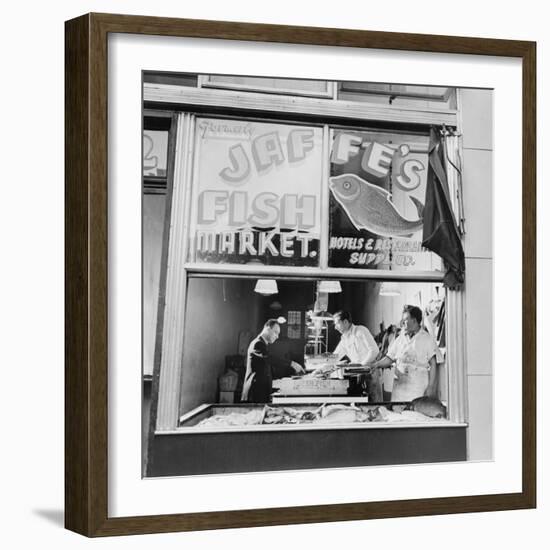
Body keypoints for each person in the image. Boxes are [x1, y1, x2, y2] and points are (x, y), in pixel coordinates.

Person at [368, 305, 442, 401]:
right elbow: (389, 358)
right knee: (397, 413)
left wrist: (431, 387)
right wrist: (376, 364)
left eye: (405, 320)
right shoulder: (400, 338)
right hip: (399, 388)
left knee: (414, 414)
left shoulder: (426, 339)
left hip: (417, 387)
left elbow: (433, 364)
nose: (402, 323)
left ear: (414, 320)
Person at [241, 319, 304, 403]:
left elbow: (265, 367)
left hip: (260, 391)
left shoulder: (263, 344)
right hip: (254, 393)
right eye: (275, 332)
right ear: (267, 328)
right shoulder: (257, 343)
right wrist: (292, 364)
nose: (277, 336)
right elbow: (270, 359)